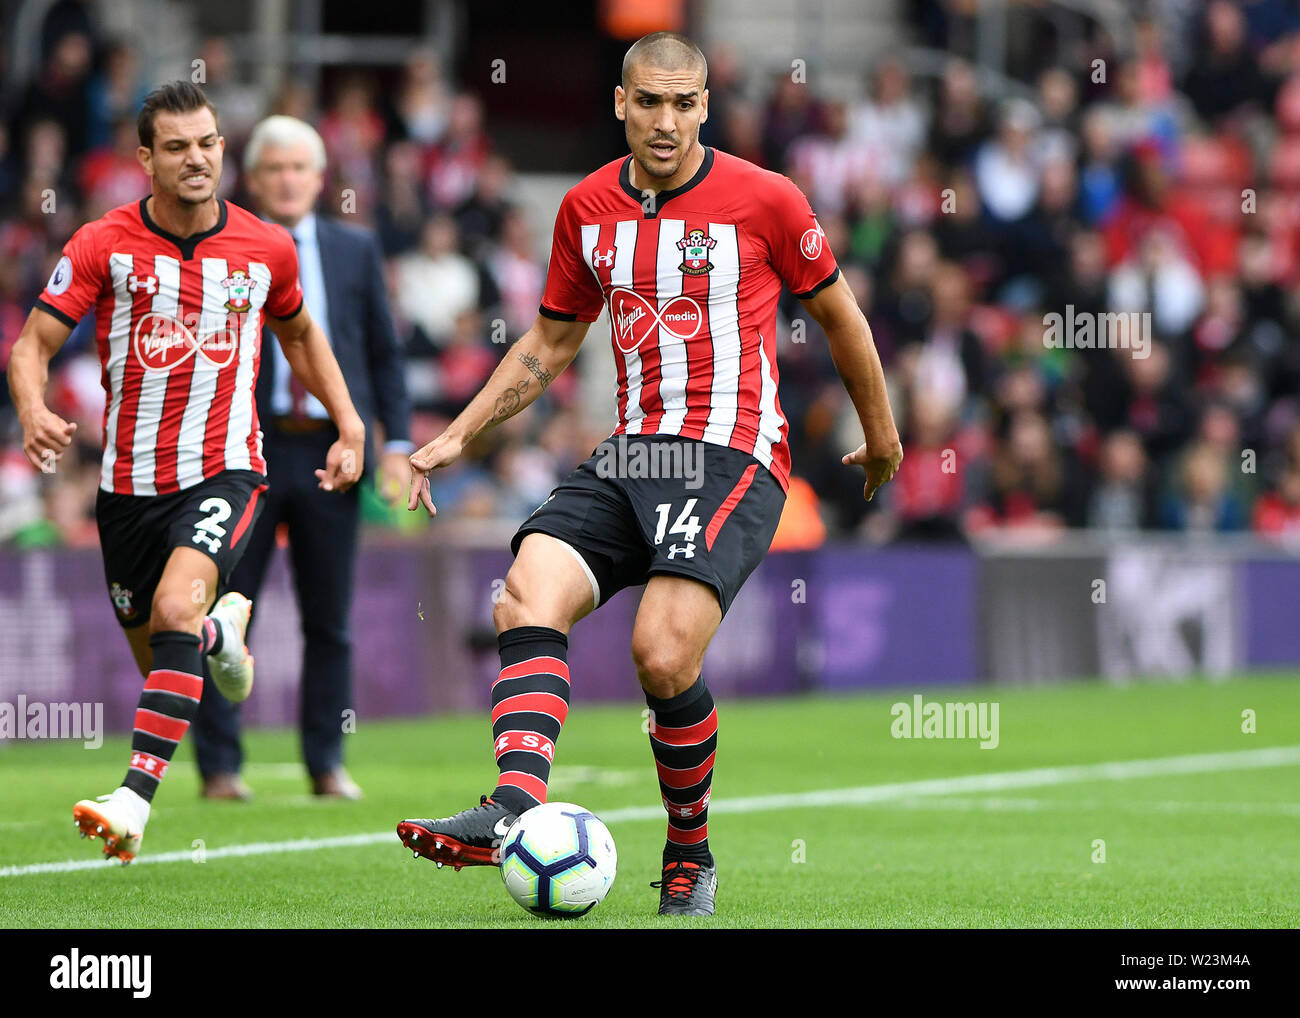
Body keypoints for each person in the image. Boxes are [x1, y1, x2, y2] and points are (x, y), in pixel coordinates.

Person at [395, 32, 902, 916]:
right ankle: (514, 806)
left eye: (684, 103)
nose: (666, 121)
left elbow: (844, 320)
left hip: (734, 450)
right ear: (621, 104)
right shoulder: (586, 206)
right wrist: (459, 436)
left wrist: (885, 437)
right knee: (525, 592)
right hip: (634, 453)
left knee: (662, 656)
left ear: (704, 107)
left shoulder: (767, 200)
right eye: (650, 102)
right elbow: (552, 341)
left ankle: (690, 852)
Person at [5, 82, 366, 863]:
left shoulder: (266, 246)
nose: (196, 158)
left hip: (225, 470)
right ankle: (219, 631)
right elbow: (31, 345)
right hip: (126, 488)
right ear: (147, 159)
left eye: (206, 143)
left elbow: (301, 336)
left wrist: (349, 421)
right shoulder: (104, 244)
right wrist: (34, 411)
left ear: (222, 149)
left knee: (171, 610)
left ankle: (133, 803)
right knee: (166, 657)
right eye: (176, 147)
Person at [190, 116, 412, 801]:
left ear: (320, 179)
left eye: (299, 168)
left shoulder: (355, 249)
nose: (287, 179)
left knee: (330, 617)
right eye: (274, 168)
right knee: (226, 607)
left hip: (331, 451)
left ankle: (325, 762)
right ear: (252, 178)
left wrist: (396, 444)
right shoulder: (223, 248)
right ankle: (221, 768)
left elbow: (382, 352)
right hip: (242, 450)